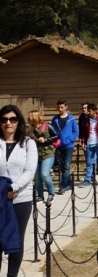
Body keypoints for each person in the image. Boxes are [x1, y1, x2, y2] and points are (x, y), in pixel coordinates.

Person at [0, 105, 38, 277]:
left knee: (16, 239)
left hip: (20, 198)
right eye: (4, 119)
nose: (8, 123)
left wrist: (13, 188)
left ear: (18, 122)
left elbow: (30, 171)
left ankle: (11, 275)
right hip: (0, 198)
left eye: (12, 119)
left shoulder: (28, 143)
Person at [26, 110, 58, 203]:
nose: (28, 119)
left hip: (48, 154)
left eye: (30, 117)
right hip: (36, 154)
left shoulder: (47, 126)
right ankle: (40, 195)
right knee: (37, 176)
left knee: (44, 173)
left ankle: (51, 193)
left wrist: (46, 139)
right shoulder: (30, 129)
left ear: (34, 118)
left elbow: (56, 136)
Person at [52, 99, 79, 194]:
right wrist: (54, 141)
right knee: (61, 166)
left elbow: (76, 132)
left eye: (62, 107)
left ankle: (63, 185)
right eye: (58, 107)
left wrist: (69, 139)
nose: (60, 109)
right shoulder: (55, 119)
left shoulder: (71, 119)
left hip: (69, 146)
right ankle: (68, 182)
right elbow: (52, 132)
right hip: (58, 146)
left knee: (66, 165)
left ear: (66, 107)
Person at [79, 104, 98, 187]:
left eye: (90, 111)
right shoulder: (86, 120)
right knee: (89, 163)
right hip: (89, 144)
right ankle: (87, 180)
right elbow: (84, 132)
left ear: (95, 111)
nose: (88, 113)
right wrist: (83, 141)